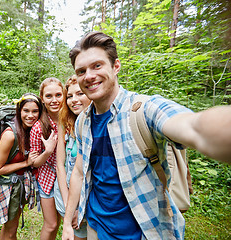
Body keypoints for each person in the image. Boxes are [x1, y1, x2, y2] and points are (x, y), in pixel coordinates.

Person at [62, 31, 231, 240]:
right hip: (96, 227)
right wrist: (68, 222)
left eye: (97, 65)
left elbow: (193, 126)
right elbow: (79, 171)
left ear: (116, 67)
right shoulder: (83, 121)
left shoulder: (144, 110)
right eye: (81, 71)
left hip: (145, 230)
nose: (88, 76)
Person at [0, 93, 43, 239]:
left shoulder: (30, 130)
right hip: (9, 187)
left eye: (35, 111)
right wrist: (26, 163)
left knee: (13, 225)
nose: (30, 115)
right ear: (19, 111)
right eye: (26, 111)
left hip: (19, 184)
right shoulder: (10, 135)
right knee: (10, 228)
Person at [54, 75, 91, 240]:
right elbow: (60, 165)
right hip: (67, 193)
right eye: (69, 96)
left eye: (80, 94)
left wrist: (81, 207)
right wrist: (71, 206)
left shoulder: (98, 125)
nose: (74, 100)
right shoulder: (65, 122)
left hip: (90, 199)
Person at [30, 77, 64, 240]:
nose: (54, 100)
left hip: (68, 177)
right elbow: (34, 162)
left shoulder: (71, 119)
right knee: (51, 224)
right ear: (42, 99)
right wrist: (48, 151)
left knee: (65, 222)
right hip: (48, 180)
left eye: (58, 95)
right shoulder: (39, 127)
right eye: (49, 96)